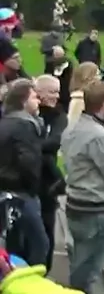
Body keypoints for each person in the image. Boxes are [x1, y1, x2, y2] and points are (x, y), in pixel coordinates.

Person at [61, 81, 104, 292]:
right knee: (89, 271)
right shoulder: (100, 136)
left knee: (79, 261)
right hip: (95, 209)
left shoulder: (72, 128)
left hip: (75, 204)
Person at [0, 80, 48, 266]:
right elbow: (29, 162)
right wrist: (33, 187)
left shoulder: (5, 122)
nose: (39, 102)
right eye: (35, 97)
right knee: (39, 244)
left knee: (13, 242)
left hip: (7, 191)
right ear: (23, 101)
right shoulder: (24, 126)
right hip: (22, 193)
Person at [34, 75, 67, 272]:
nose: (56, 96)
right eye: (52, 91)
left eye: (58, 91)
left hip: (47, 183)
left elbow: (55, 141)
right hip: (25, 180)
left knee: (47, 229)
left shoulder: (58, 116)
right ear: (38, 93)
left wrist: (29, 146)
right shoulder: (28, 112)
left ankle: (44, 271)